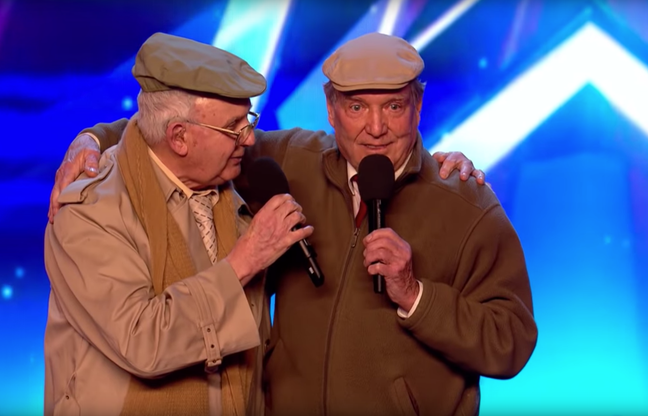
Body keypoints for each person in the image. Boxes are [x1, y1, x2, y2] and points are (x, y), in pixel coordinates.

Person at [49, 33, 537, 415]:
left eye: (393, 106)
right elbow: (181, 131)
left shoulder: (466, 203)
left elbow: (511, 343)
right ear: (330, 109)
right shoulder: (288, 161)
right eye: (355, 107)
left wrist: (417, 296)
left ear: (418, 105)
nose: (375, 128)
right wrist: (93, 138)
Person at [43, 33, 314, 416]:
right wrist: (244, 262)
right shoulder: (89, 213)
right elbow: (143, 342)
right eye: (235, 126)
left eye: (248, 119)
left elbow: (324, 152)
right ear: (180, 138)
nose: (250, 139)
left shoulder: (226, 181)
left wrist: (427, 166)